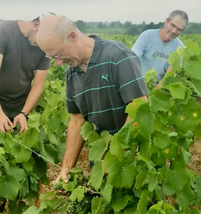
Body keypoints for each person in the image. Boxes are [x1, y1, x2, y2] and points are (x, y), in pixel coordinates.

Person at [36, 15, 148, 183]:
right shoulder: (71, 73)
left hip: (133, 165)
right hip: (100, 165)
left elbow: (139, 110)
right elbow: (77, 120)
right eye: (52, 58)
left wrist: (114, 158)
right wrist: (66, 168)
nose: (58, 63)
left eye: (58, 54)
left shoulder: (118, 56)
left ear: (72, 37)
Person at [0, 15, 51, 134]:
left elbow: (38, 86)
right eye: (41, 39)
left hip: (19, 105)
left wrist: (24, 113)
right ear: (35, 25)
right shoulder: (3, 32)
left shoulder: (44, 46)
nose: (41, 44)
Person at [132, 10, 188, 89]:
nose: (174, 31)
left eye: (179, 29)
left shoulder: (179, 47)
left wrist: (153, 95)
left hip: (159, 89)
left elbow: (168, 76)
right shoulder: (147, 36)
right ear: (166, 21)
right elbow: (131, 60)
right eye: (172, 25)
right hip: (138, 84)